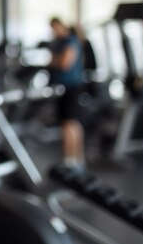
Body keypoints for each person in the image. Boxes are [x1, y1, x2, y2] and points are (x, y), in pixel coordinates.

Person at [48, 17, 86, 171]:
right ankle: (76, 160)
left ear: (60, 26)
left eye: (54, 28)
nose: (53, 31)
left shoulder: (70, 41)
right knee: (70, 123)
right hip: (64, 87)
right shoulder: (61, 42)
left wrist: (54, 60)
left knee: (69, 124)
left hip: (70, 87)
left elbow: (64, 63)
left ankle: (71, 160)